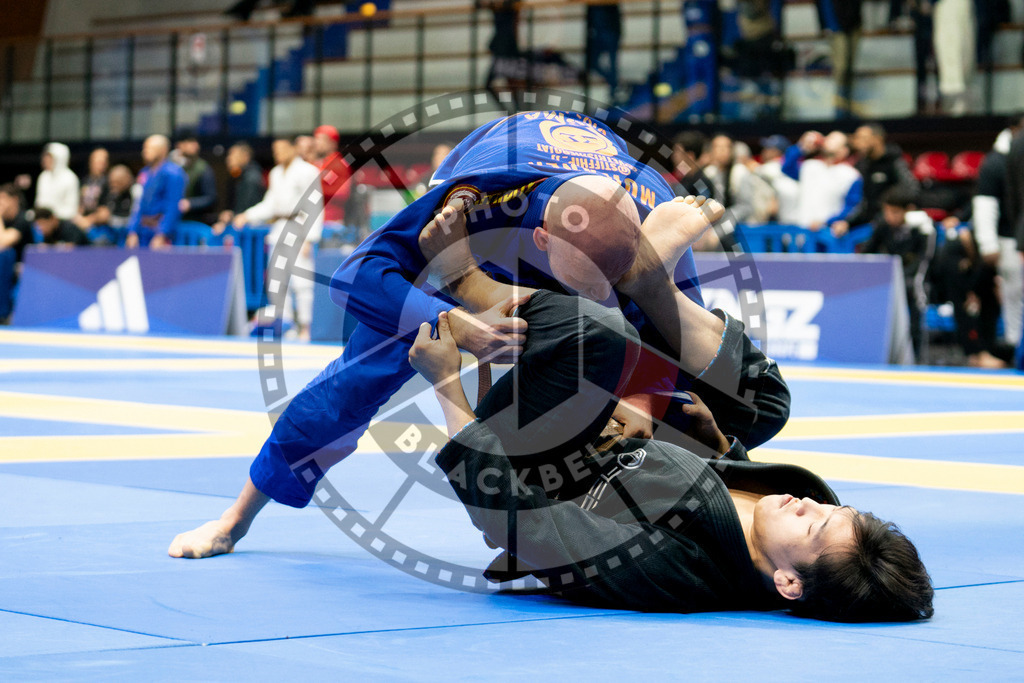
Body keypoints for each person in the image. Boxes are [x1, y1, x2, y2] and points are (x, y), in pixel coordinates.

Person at [167, 111, 775, 559]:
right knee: (363, 374)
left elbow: (687, 360)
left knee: (668, 393)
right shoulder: (475, 197)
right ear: (540, 243)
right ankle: (236, 517)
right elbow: (355, 276)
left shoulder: (654, 222)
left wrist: (645, 392)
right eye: (586, 287)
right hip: (482, 228)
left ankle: (626, 514)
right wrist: (453, 321)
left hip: (623, 233)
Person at [406, 207, 933, 621]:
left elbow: (526, 526)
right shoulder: (806, 532)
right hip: (635, 441)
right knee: (765, 403)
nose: (811, 505)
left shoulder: (671, 572)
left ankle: (467, 281)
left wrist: (449, 385)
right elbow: (715, 479)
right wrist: (715, 442)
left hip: (537, 460)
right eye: (837, 512)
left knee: (600, 337)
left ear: (788, 585)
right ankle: (648, 281)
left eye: (814, 527)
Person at [233, 136, 323, 341]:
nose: (278, 154)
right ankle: (286, 325)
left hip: (300, 227)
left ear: (293, 149)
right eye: (275, 151)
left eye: (282, 149)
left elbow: (315, 205)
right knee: (277, 281)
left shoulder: (308, 171)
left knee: (301, 281)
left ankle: (305, 327)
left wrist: (310, 238)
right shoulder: (275, 173)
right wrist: (247, 215)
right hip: (279, 228)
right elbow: (270, 204)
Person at [859, 187, 934, 359]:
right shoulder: (883, 225)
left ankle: (916, 358)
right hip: (890, 280)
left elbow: (924, 261)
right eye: (886, 212)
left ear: (909, 210)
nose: (889, 217)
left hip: (914, 281)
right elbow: (868, 252)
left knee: (915, 293)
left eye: (894, 212)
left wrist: (901, 278)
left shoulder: (924, 229)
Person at [971, 117, 1024, 349]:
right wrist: (988, 243)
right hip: (1010, 238)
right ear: (1014, 130)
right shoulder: (996, 161)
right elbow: (986, 205)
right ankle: (1015, 342)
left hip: (1017, 236)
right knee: (1013, 293)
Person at [836, 123, 919, 237]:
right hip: (868, 222)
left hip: (889, 224)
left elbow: (911, 189)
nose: (858, 143)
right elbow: (865, 204)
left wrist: (888, 210)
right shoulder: (863, 165)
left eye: (863, 138)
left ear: (877, 139)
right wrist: (848, 223)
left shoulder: (894, 161)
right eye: (857, 138)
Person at [782, 131, 863, 235]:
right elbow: (786, 167)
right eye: (828, 138)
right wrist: (802, 147)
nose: (829, 141)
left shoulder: (851, 174)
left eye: (835, 140)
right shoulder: (810, 166)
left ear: (844, 150)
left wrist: (827, 222)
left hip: (828, 233)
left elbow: (852, 206)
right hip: (803, 230)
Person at [125, 135, 187, 249]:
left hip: (162, 231)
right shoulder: (144, 173)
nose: (145, 152)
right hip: (143, 230)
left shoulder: (174, 173)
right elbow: (138, 204)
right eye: (144, 148)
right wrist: (132, 231)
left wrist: (162, 234)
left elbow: (173, 205)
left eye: (149, 148)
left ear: (163, 150)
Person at [815, 0, 864, 116]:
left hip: (853, 22)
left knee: (850, 68)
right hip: (835, 25)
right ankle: (840, 107)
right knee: (841, 68)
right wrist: (824, 24)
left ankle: (849, 105)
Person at [213, 142, 266, 239]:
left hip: (251, 231)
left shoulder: (252, 178)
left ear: (245, 156)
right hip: (242, 228)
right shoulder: (236, 177)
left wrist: (231, 217)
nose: (228, 159)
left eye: (232, 154)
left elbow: (249, 206)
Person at [932, 0, 975, 116]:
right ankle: (953, 100)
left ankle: (959, 101)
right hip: (945, 7)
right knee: (948, 50)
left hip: (955, 8)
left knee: (956, 50)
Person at [174, 134, 218, 225]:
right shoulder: (174, 166)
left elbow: (211, 198)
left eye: (194, 142)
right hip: (177, 221)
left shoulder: (203, 168)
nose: (194, 145)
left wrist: (190, 203)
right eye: (188, 142)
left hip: (197, 221)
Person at [311, 125, 351, 225]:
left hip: (331, 221)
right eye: (316, 139)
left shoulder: (340, 164)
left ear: (332, 143)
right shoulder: (316, 163)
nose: (317, 143)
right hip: (314, 220)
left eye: (321, 140)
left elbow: (343, 193)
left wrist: (318, 189)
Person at [755, 134, 799, 225]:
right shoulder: (792, 168)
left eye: (768, 149)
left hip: (780, 219)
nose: (764, 151)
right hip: (795, 219)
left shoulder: (771, 166)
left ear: (776, 152)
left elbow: (758, 172)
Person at [35, 142, 80, 221]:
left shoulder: (70, 178)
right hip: (42, 219)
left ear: (59, 158)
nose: (45, 160)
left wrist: (52, 216)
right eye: (45, 156)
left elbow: (71, 210)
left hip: (62, 221)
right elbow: (39, 203)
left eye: (50, 157)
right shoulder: (43, 176)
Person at [585, 2, 622, 95]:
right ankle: (613, 84)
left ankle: (613, 87)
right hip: (600, 34)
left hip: (609, 33)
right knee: (593, 63)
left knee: (611, 63)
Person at [76, 147, 110, 230]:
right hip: (83, 222)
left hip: (100, 226)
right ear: (90, 162)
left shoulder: (109, 183)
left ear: (107, 163)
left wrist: (89, 220)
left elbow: (106, 213)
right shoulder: (85, 181)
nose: (99, 164)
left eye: (102, 162)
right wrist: (79, 218)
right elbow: (80, 206)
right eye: (96, 161)